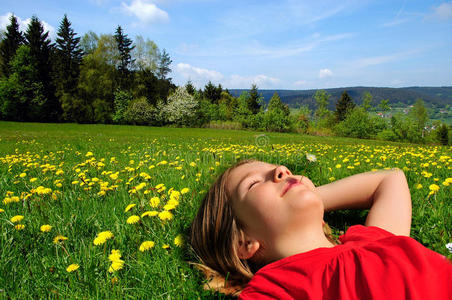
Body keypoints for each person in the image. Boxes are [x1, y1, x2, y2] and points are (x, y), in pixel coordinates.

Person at [190, 159, 452, 299]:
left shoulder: (371, 240)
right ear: (243, 242)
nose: (281, 170)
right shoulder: (274, 291)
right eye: (253, 184)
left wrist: (307, 196)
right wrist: (298, 196)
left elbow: (391, 178)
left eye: (281, 169)